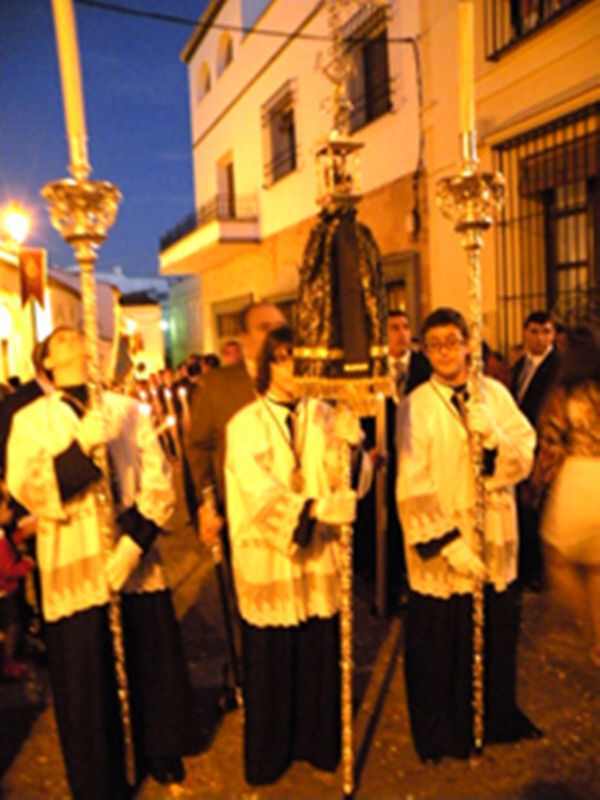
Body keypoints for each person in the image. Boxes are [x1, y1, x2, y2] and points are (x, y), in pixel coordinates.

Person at [6, 326, 191, 800]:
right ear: (46, 363)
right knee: (88, 677)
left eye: (77, 334)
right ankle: (98, 775)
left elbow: (158, 476)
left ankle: (160, 747)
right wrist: (79, 450)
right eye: (60, 339)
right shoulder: (31, 420)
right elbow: (28, 487)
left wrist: (136, 541)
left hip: (134, 559)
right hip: (77, 562)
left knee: (147, 659)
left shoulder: (127, 411)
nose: (73, 339)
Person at [224, 325, 367, 785]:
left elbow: (344, 481)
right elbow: (253, 488)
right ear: (268, 364)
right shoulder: (244, 423)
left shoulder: (326, 413)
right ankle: (271, 752)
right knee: (271, 659)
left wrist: (351, 447)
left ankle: (317, 741)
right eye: (284, 359)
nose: (293, 369)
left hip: (318, 558)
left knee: (317, 651)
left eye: (300, 359)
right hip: (272, 558)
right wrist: (311, 508)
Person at [396, 307, 541, 763]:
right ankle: (443, 732)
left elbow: (525, 449)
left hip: (493, 531)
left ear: (466, 344)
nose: (443, 351)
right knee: (440, 644)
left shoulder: (493, 394)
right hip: (445, 546)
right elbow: (411, 478)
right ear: (425, 348)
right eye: (433, 343)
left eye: (451, 341)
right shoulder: (416, 405)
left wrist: (494, 437)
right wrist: (447, 543)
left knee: (494, 633)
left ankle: (492, 718)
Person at [529, 326, 600, 667]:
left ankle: (587, 624)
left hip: (578, 479)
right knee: (598, 567)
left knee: (559, 559)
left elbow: (550, 445)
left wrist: (538, 485)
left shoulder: (564, 395)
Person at [510, 310, 561, 589]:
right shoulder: (519, 366)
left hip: (543, 448)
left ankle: (539, 573)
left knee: (539, 510)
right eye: (534, 331)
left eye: (546, 331)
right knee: (524, 510)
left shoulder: (558, 367)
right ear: (525, 333)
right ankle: (527, 567)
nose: (540, 337)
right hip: (521, 446)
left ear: (553, 335)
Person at [0, 484, 34, 680]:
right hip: (5, 594)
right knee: (12, 626)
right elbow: (7, 570)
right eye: (5, 508)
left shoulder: (4, 537)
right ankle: (8, 661)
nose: (10, 511)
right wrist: (27, 565)